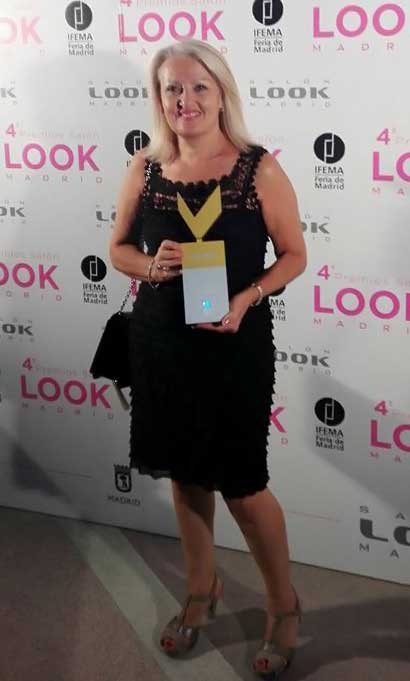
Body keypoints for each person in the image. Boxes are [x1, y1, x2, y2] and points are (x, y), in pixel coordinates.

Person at [109, 39, 306, 678]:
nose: (185, 100)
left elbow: (294, 255)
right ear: (159, 97)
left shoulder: (258, 169)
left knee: (243, 484)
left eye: (199, 86)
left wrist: (248, 297)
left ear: (222, 93)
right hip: (161, 341)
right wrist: (152, 265)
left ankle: (283, 605)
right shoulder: (146, 168)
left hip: (233, 344)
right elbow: (117, 249)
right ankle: (202, 589)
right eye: (172, 88)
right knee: (185, 474)